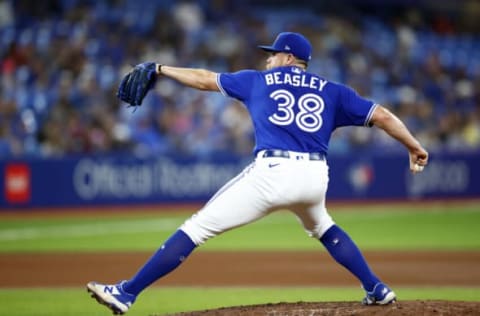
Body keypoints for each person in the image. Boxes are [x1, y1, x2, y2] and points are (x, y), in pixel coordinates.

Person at [87, 32, 429, 314]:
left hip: (273, 171)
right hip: (315, 177)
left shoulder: (258, 81)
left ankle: (127, 293)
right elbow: (382, 115)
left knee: (197, 227)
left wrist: (162, 68)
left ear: (290, 58)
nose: (269, 58)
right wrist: (413, 145)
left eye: (275, 53)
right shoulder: (334, 91)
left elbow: (205, 79)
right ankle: (376, 288)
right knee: (322, 226)